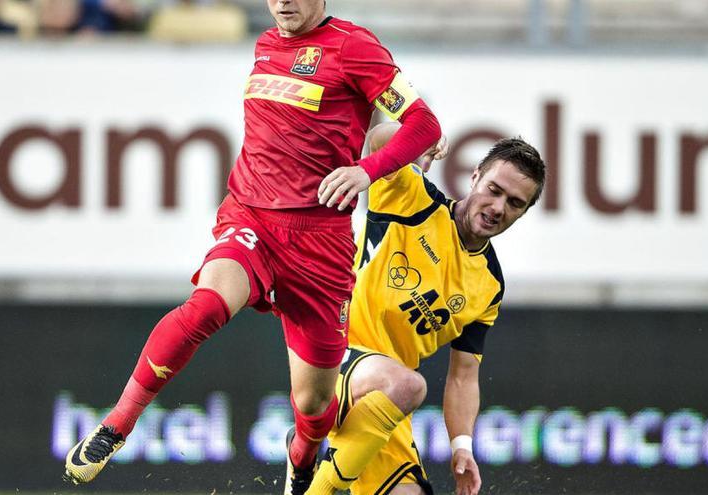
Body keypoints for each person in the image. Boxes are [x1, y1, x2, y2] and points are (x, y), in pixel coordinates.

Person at [62, 1, 443, 494]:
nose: (282, 1)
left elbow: (424, 125)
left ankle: (301, 459)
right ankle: (117, 424)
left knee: (313, 407)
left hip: (320, 246)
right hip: (252, 219)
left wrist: (365, 170)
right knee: (206, 306)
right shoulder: (266, 44)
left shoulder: (354, 47)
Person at [305, 123, 546, 495]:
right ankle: (312, 485)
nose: (498, 208)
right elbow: (378, 140)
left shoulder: (489, 286)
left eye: (514, 203)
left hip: (387, 404)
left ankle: (310, 460)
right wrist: (419, 134)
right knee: (408, 383)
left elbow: (463, 376)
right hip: (334, 355)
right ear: (475, 177)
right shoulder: (414, 199)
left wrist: (461, 446)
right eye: (494, 190)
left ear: (524, 211)